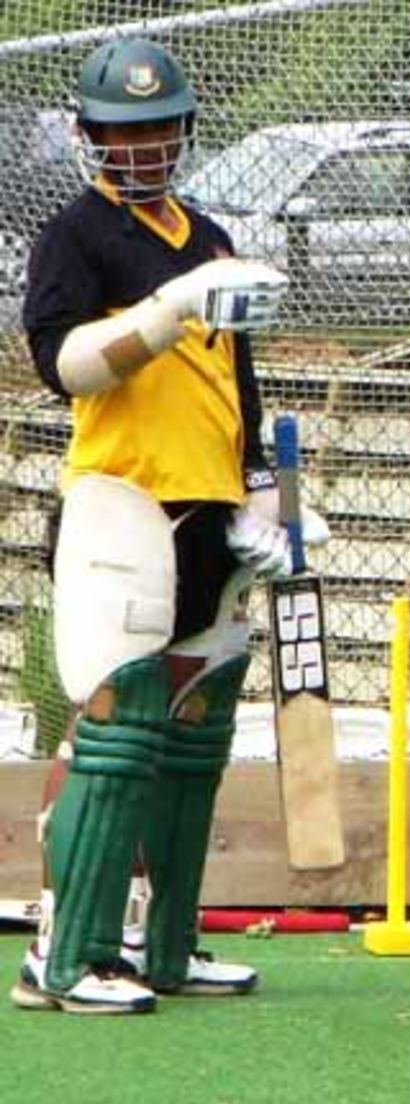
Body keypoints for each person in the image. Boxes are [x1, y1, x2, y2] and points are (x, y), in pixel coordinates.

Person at [10, 36, 325, 1014]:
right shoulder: (77, 236)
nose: (143, 148)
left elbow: (238, 381)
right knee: (116, 741)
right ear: (90, 137)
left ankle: (167, 947)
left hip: (208, 518)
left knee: (194, 744)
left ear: (183, 130)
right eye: (123, 132)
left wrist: (265, 499)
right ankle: (65, 960)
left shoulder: (209, 235)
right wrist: (167, 308)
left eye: (158, 129)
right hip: (122, 512)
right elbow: (65, 365)